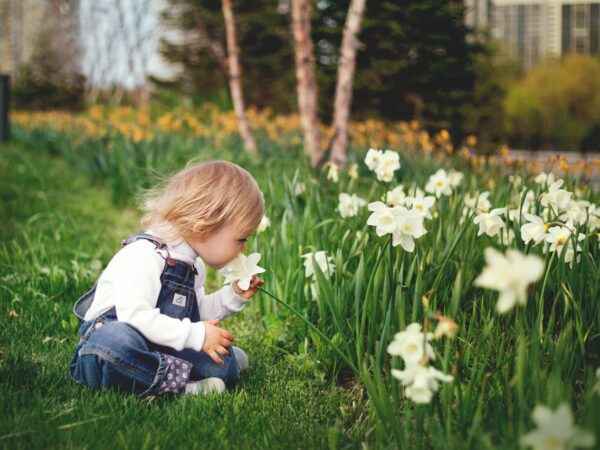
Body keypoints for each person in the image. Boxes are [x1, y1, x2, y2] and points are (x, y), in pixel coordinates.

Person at [69, 160, 265, 397]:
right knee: (114, 344)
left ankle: (217, 364)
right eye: (241, 239)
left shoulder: (194, 265)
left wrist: (233, 295)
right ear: (204, 227)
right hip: (114, 343)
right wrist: (196, 335)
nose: (243, 248)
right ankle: (183, 387)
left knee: (223, 364)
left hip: (159, 343)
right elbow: (135, 317)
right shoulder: (144, 255)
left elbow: (195, 313)